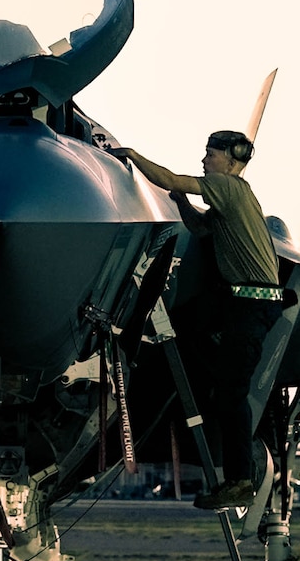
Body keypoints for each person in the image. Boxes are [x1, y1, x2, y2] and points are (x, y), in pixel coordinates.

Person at [111, 130, 282, 510]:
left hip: (250, 304)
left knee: (232, 393)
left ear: (231, 160)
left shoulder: (228, 186)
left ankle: (238, 480)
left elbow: (171, 178)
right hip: (237, 303)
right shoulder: (229, 197)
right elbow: (201, 227)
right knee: (184, 330)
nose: (205, 160)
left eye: (211, 153)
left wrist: (133, 157)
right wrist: (180, 202)